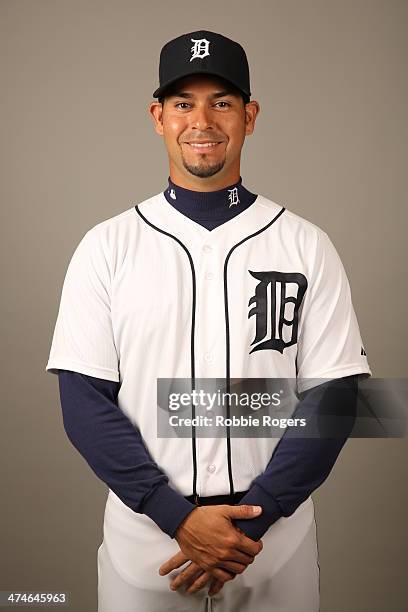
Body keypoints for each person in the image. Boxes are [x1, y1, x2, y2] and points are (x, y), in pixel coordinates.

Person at [46, 30, 372, 611]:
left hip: (273, 541)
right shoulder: (107, 246)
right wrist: (177, 518)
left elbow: (337, 395)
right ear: (157, 117)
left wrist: (256, 519)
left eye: (221, 102)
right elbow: (83, 399)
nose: (202, 120)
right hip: (148, 540)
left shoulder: (306, 244)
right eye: (182, 103)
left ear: (249, 116)